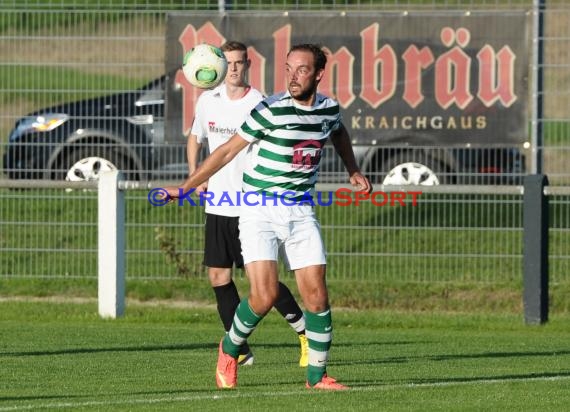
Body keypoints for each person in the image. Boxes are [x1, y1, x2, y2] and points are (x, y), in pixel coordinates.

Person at [166, 43, 372, 390]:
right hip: (259, 209)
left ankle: (316, 377)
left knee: (317, 297)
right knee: (263, 297)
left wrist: (353, 169)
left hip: (300, 211)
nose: (292, 77)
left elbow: (338, 131)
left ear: (319, 74)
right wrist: (187, 187)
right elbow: (227, 150)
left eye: (301, 70)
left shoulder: (328, 109)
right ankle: (229, 350)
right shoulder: (270, 109)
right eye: (288, 69)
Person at [186, 41, 308, 367]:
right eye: (229, 62)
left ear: (248, 64)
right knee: (217, 277)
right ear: (220, 66)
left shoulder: (260, 103)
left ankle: (304, 331)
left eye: (240, 62)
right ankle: (239, 351)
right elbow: (195, 137)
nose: (234, 68)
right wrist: (195, 176)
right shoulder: (207, 101)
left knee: (263, 283)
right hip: (217, 205)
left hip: (250, 206)